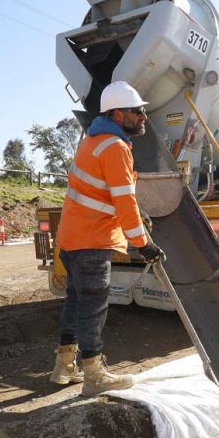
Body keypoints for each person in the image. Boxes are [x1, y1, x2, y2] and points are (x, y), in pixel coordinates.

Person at [50, 81, 165, 396]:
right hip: (92, 240)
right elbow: (125, 202)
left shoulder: (92, 142)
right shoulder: (115, 148)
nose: (143, 117)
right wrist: (144, 244)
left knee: (75, 302)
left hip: (72, 239)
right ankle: (94, 374)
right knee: (94, 306)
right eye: (137, 112)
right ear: (118, 113)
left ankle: (64, 366)